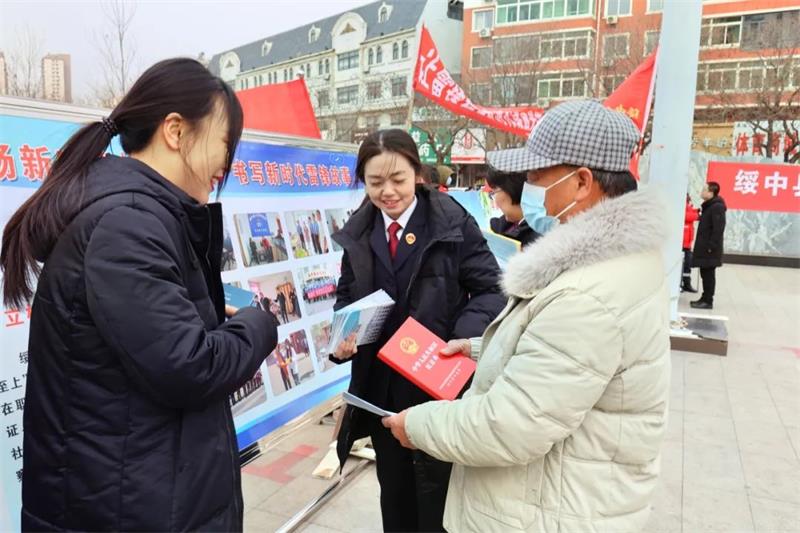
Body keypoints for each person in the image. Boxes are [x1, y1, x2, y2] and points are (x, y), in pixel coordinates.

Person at [0, 58, 279, 531]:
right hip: (126, 506)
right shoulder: (127, 223)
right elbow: (190, 366)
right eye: (224, 144)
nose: (225, 165)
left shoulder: (141, 213)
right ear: (175, 130)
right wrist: (258, 322)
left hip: (136, 490)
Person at [382, 100, 671, 532]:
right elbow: (563, 360)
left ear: (582, 183)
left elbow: (511, 425)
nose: (527, 187)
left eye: (536, 177)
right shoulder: (616, 262)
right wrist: (484, 348)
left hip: (548, 512)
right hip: (565, 498)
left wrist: (420, 425)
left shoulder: (588, 294)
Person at [330, 129, 506, 532]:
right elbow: (346, 295)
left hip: (437, 382)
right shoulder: (360, 230)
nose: (387, 192)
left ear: (417, 174)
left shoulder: (450, 220)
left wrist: (458, 338)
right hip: (383, 388)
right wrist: (345, 333)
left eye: (398, 180)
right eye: (375, 183)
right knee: (394, 495)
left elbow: (490, 289)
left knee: (438, 495)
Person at [691, 181, 727, 309]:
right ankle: (705, 297)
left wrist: (711, 245)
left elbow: (718, 228)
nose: (702, 191)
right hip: (706, 247)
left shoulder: (717, 207)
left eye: (704, 189)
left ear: (711, 192)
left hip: (710, 248)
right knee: (704, 273)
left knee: (708, 275)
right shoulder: (709, 206)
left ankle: (708, 300)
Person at [485, 168, 540, 246]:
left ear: (511, 188)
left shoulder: (539, 240)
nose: (495, 201)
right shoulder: (500, 229)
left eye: (493, 192)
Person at [682, 194, 700, 293]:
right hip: (682, 243)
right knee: (684, 265)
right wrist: (697, 215)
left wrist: (696, 211)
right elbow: (687, 216)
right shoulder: (681, 204)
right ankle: (684, 283)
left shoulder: (687, 205)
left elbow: (690, 212)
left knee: (687, 265)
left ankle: (686, 283)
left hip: (687, 242)